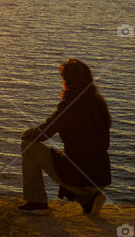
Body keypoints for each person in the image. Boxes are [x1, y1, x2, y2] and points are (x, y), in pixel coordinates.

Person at [19, 58, 111, 215]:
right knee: (66, 156)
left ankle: (36, 202)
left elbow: (44, 133)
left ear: (67, 81)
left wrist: (26, 133)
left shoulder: (69, 105)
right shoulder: (98, 104)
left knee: (28, 144)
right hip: (100, 176)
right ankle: (88, 200)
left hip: (81, 177)